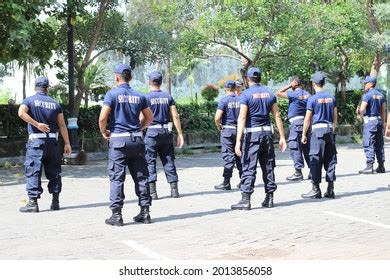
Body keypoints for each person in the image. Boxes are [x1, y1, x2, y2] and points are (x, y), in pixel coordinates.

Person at [99, 64, 153, 226]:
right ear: (131, 78)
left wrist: (103, 131)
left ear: (116, 77)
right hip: (136, 141)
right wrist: (139, 128)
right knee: (141, 177)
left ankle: (116, 215)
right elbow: (149, 117)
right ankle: (145, 212)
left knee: (117, 178)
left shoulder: (112, 94)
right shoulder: (139, 96)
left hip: (118, 142)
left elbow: (103, 117)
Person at [231, 67, 287, 210]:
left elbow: (242, 117)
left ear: (248, 79)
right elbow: (277, 115)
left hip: (252, 136)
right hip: (267, 135)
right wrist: (282, 137)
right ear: (260, 78)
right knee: (268, 166)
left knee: (249, 166)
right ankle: (269, 198)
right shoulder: (270, 94)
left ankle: (246, 200)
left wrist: (238, 141)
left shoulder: (245, 95)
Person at [18, 77, 71, 213]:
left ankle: (33, 203)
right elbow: (62, 125)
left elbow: (21, 113)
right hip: (53, 143)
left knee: (34, 171)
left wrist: (37, 125)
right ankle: (55, 201)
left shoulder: (29, 100)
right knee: (54, 171)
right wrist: (67, 143)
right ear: (47, 88)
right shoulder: (55, 103)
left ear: (35, 87)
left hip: (36, 142)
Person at [144, 71, 184, 200]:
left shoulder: (146, 98)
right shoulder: (168, 96)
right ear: (161, 82)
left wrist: (139, 131)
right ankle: (174, 190)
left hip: (151, 133)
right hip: (166, 132)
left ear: (149, 82)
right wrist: (180, 134)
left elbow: (142, 117)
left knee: (150, 161)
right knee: (168, 160)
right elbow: (175, 116)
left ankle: (153, 193)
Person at [301, 72, 337, 199]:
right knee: (330, 159)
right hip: (329, 131)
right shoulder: (331, 97)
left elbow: (307, 119)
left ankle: (316, 189)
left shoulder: (312, 99)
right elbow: (335, 117)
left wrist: (304, 134)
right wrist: (332, 129)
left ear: (313, 83)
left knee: (315, 159)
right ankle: (330, 189)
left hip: (317, 132)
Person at [276, 77, 311, 181]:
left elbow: (278, 93)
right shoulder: (308, 94)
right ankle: (313, 171)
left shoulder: (294, 94)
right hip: (306, 124)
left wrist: (289, 85)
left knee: (295, 147)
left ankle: (298, 172)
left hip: (296, 124)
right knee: (307, 148)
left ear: (295, 84)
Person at [214, 80, 242, 190]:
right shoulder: (241, 100)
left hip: (228, 131)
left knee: (228, 157)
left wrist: (219, 125)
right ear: (236, 88)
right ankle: (244, 180)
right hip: (240, 131)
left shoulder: (223, 101)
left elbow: (217, 117)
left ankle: (226, 182)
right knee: (240, 155)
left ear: (225, 89)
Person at [357, 76, 386, 174]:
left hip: (370, 122)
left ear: (370, 84)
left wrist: (361, 116)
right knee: (379, 144)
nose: (364, 85)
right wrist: (383, 123)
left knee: (369, 143)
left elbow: (361, 109)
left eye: (365, 83)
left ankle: (369, 166)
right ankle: (381, 166)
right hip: (378, 121)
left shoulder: (367, 95)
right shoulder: (381, 95)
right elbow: (383, 111)